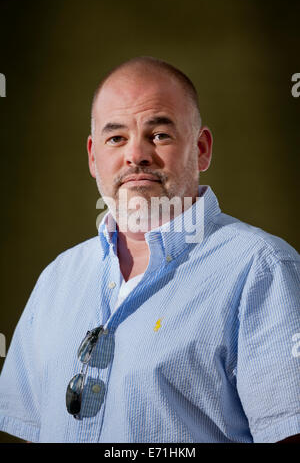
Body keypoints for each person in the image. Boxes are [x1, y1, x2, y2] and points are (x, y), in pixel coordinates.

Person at [0, 56, 299, 443]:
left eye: (159, 135)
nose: (135, 154)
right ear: (94, 157)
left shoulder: (262, 270)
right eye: (116, 138)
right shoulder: (57, 278)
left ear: (202, 149)